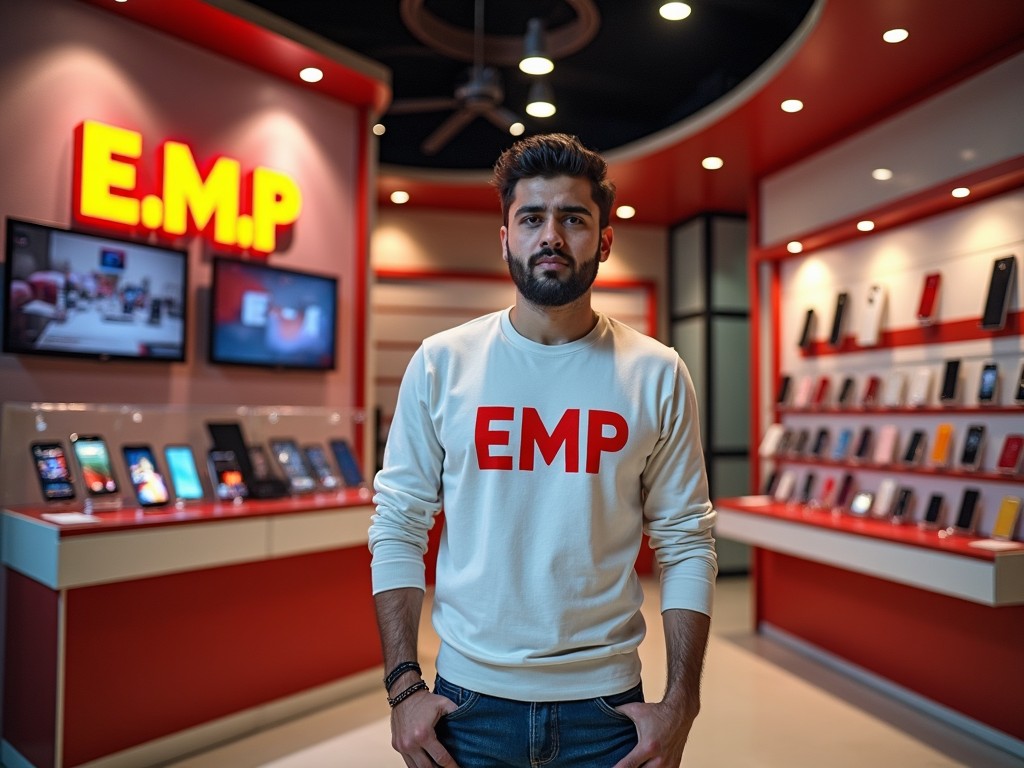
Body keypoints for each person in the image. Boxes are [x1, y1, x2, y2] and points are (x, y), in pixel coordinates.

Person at [369, 133, 718, 768]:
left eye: (573, 218)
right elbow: (398, 525)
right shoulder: (442, 363)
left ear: (605, 241)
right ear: (505, 238)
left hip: (608, 713)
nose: (550, 236)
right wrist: (402, 687)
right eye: (531, 218)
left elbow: (686, 538)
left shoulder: (657, 372)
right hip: (467, 709)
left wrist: (682, 703)